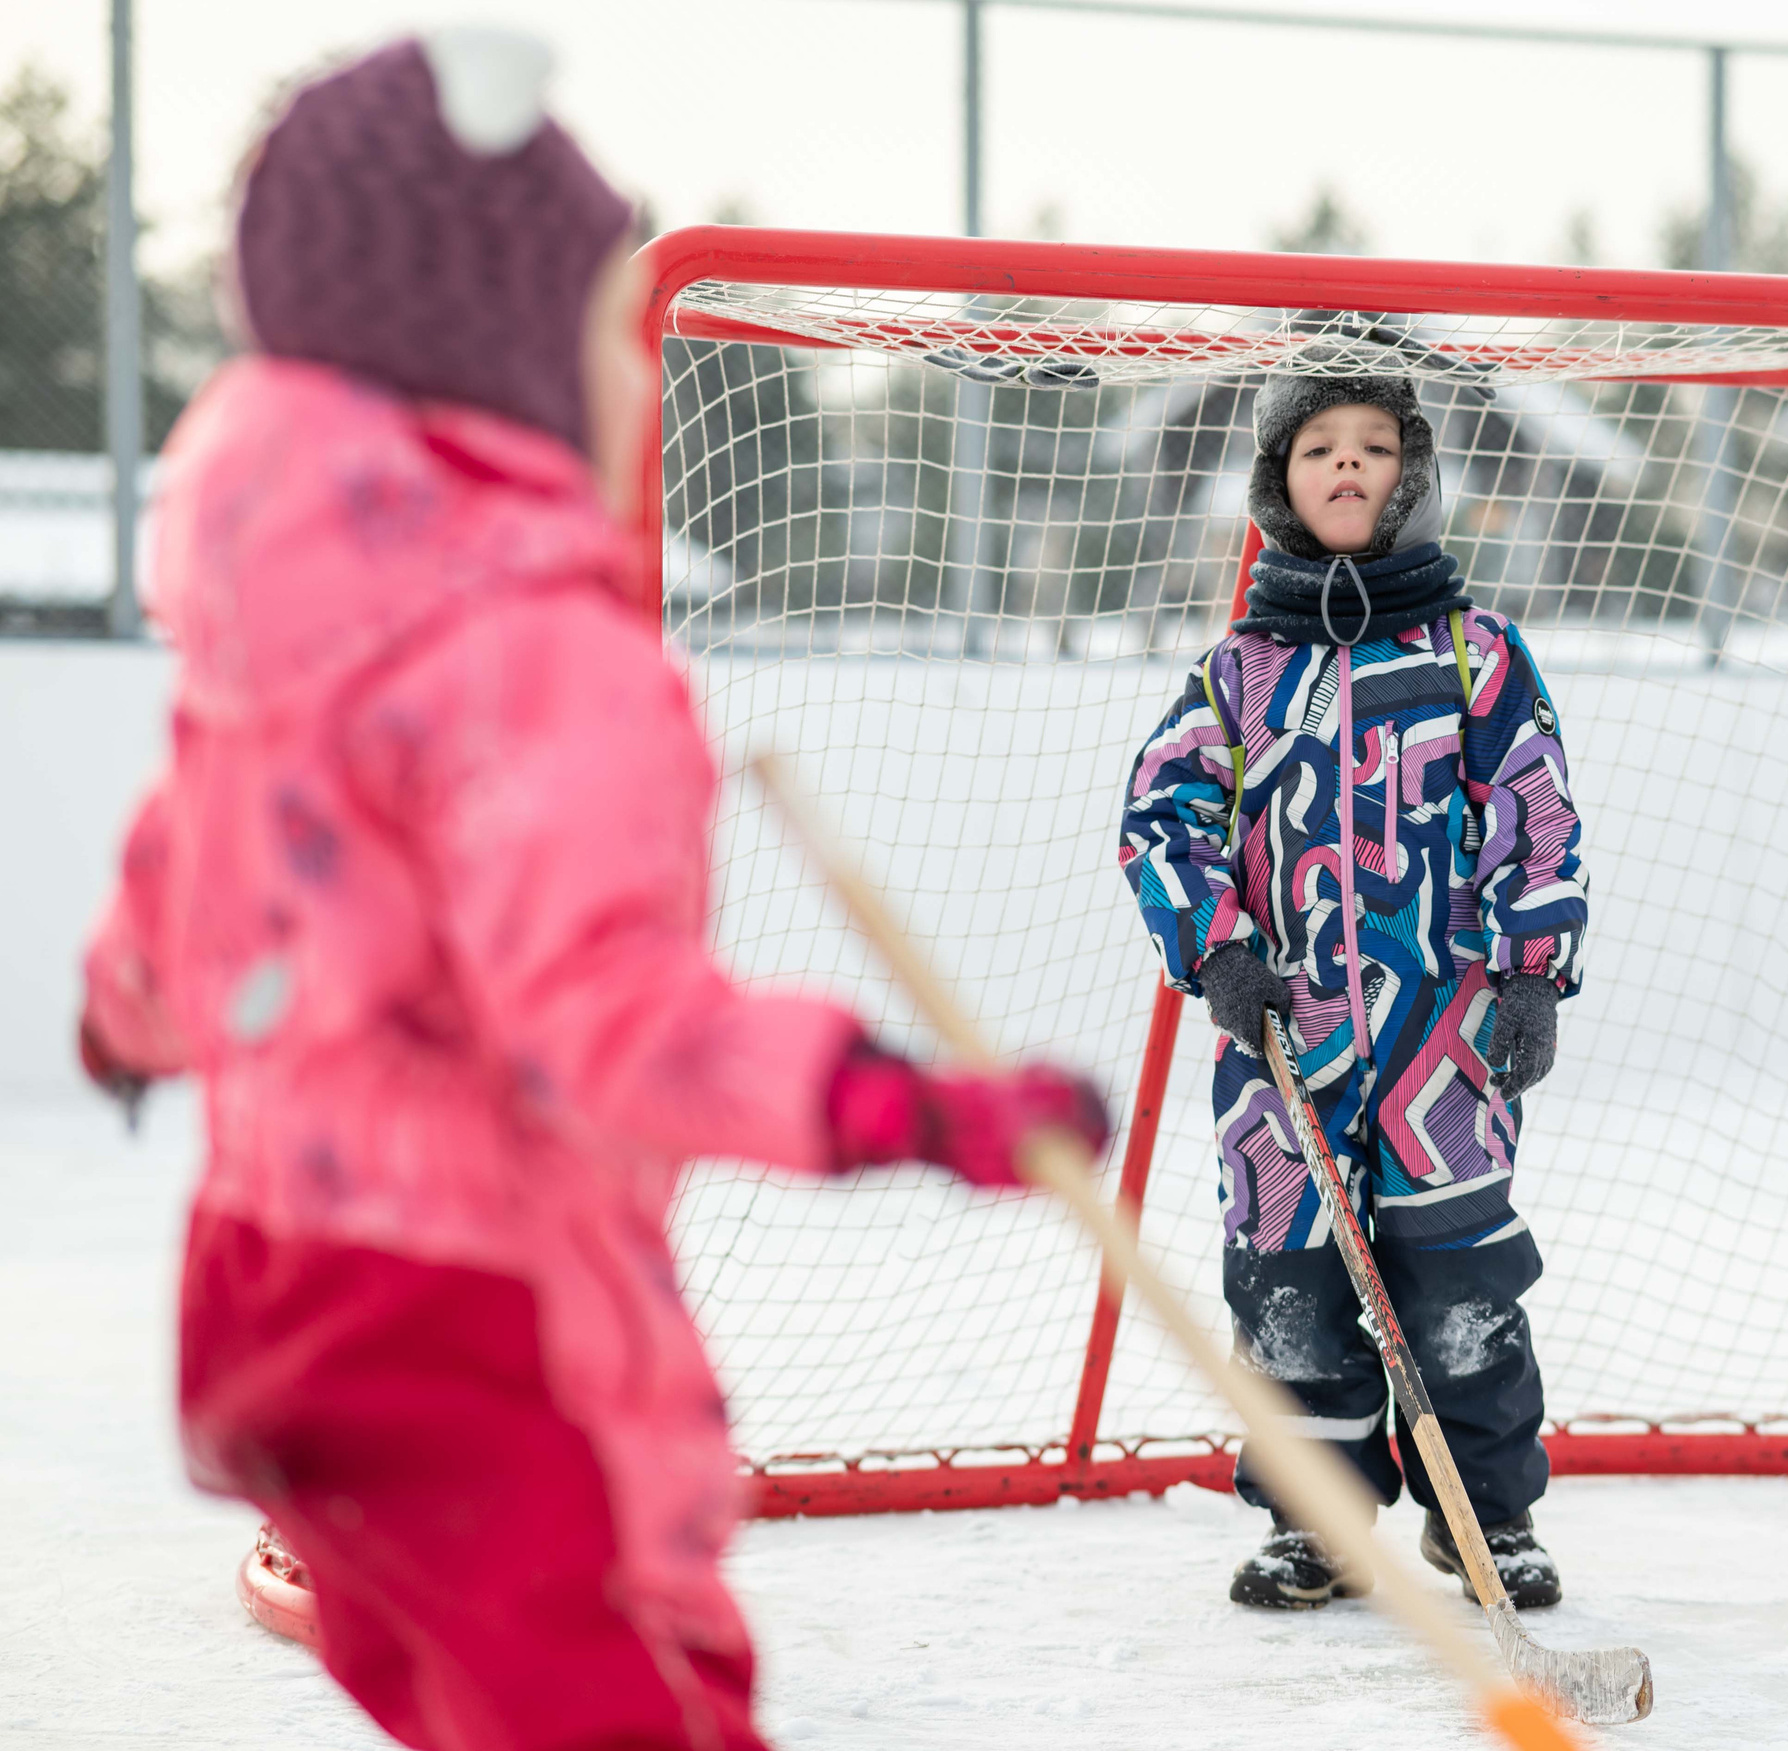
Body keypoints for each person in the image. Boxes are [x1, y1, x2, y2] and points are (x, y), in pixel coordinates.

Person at [75, 33, 1108, 1751]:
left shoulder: (270, 636)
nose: (641, 375)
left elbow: (178, 894)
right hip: (477, 1332)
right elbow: (604, 1022)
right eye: (601, 325)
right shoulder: (541, 658)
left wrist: (119, 1020)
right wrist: (898, 1104)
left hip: (272, 1301)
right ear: (499, 352)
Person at [1118, 369, 1589, 1611]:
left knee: (1460, 1281)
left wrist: (1529, 973)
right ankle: (1312, 1523)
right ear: (1280, 478)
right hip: (1284, 1037)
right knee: (1289, 1282)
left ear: (1409, 477)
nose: (1344, 465)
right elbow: (1161, 815)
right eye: (1318, 446)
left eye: (1372, 448)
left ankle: (1485, 1514)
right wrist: (1218, 951)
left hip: (1446, 1040)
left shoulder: (1475, 652)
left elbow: (1534, 810)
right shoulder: (1239, 670)